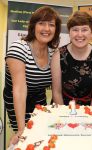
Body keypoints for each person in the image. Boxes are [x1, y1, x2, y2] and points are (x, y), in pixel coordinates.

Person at [3, 6, 61, 145]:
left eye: (51, 24)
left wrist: (58, 117)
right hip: (17, 98)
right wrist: (22, 129)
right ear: (33, 26)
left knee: (41, 134)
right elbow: (19, 90)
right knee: (26, 138)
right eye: (41, 23)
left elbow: (56, 88)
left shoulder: (53, 53)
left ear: (56, 29)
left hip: (38, 97)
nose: (46, 28)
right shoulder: (19, 48)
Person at [51, 11, 92, 106]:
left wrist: (90, 117)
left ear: (91, 33)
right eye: (75, 30)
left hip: (91, 106)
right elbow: (56, 92)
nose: (79, 34)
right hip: (62, 107)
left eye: (84, 30)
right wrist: (63, 119)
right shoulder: (58, 55)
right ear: (69, 32)